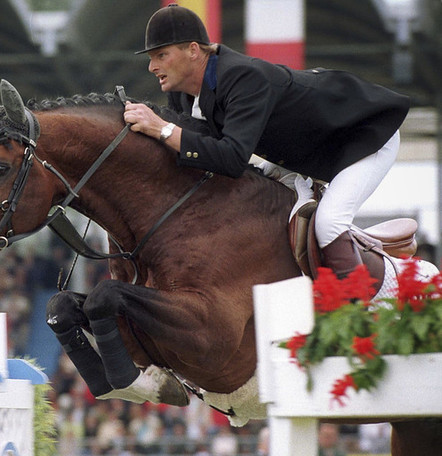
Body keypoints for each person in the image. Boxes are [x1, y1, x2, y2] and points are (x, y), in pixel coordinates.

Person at [123, 4, 410, 279]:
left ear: (193, 51)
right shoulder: (181, 92)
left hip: (363, 134)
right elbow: (198, 151)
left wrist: (162, 129)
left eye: (161, 55)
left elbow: (232, 158)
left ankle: (357, 314)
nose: (151, 67)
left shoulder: (241, 77)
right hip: (304, 151)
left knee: (329, 223)